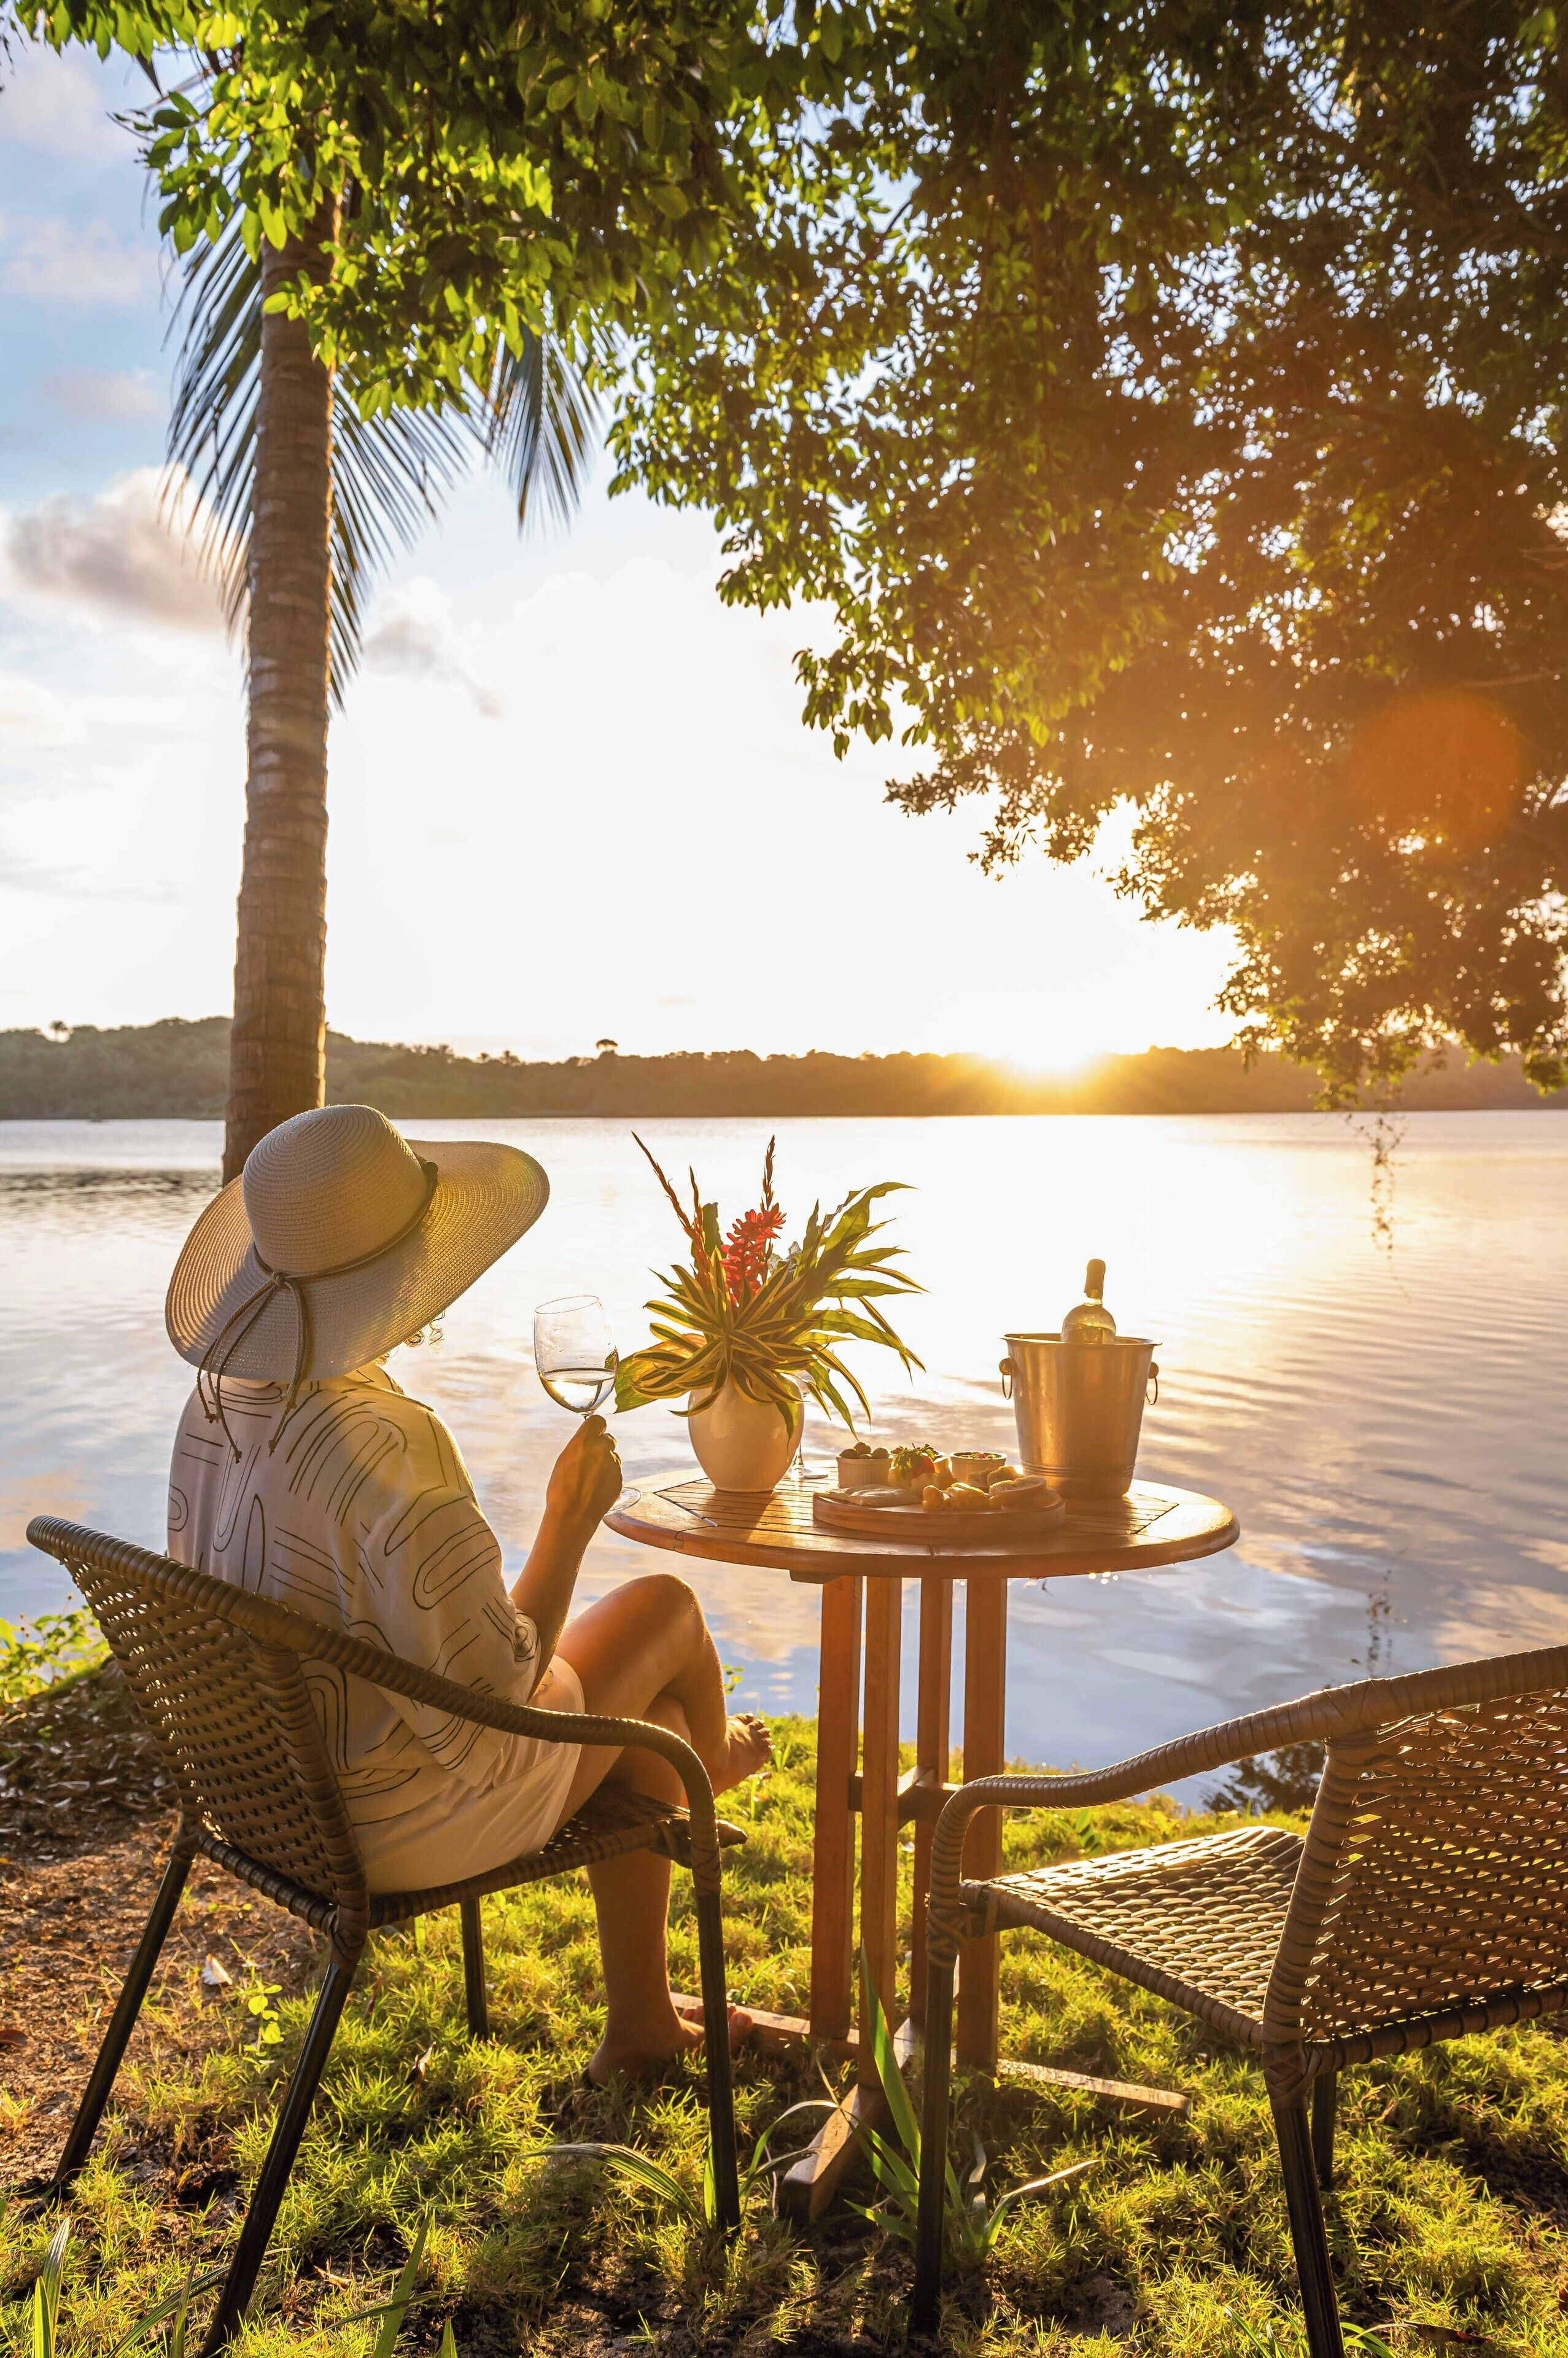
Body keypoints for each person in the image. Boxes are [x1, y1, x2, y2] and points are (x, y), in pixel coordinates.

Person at [163, 1102, 769, 2082]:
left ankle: (644, 2030)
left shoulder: (218, 1401)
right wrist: (568, 1525)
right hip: (394, 1825)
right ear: (409, 1272)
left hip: (270, 1796)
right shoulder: (388, 1441)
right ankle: (704, 1767)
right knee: (663, 1608)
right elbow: (493, 1707)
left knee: (644, 1713)